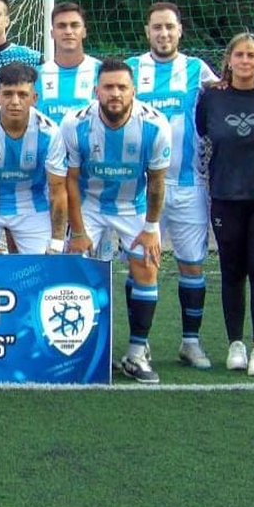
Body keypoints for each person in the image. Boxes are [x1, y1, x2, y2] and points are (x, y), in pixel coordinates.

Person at [62, 59, 171, 383]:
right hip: (89, 204)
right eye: (108, 87)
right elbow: (70, 180)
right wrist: (79, 231)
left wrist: (151, 229)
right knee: (77, 269)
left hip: (131, 204)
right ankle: (86, 350)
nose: (115, 94)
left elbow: (156, 182)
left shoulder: (154, 125)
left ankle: (137, 352)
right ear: (96, 90)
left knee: (146, 265)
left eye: (122, 87)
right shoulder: (75, 124)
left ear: (133, 91)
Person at [127, 2, 219, 370]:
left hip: (187, 185)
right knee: (139, 265)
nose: (163, 34)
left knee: (191, 265)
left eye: (169, 27)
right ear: (147, 31)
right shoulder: (132, 70)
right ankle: (139, 345)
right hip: (140, 190)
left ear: (180, 30)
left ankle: (190, 342)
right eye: (156, 28)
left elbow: (225, 101)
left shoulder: (198, 70)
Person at [195, 33, 254, 377]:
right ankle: (235, 343)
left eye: (252, 56)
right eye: (240, 55)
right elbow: (205, 133)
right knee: (232, 271)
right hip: (225, 194)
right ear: (229, 59)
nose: (246, 61)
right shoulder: (211, 99)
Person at [0, 62, 68, 254]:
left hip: (33, 205)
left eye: (23, 94)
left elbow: (58, 191)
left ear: (34, 98)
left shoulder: (50, 132)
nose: (15, 101)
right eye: (8, 94)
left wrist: (57, 242)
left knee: (44, 267)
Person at [36, 2, 101, 124]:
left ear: (84, 32)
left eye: (75, 25)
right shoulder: (37, 75)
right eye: (61, 26)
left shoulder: (101, 72)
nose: (68, 31)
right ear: (52, 33)